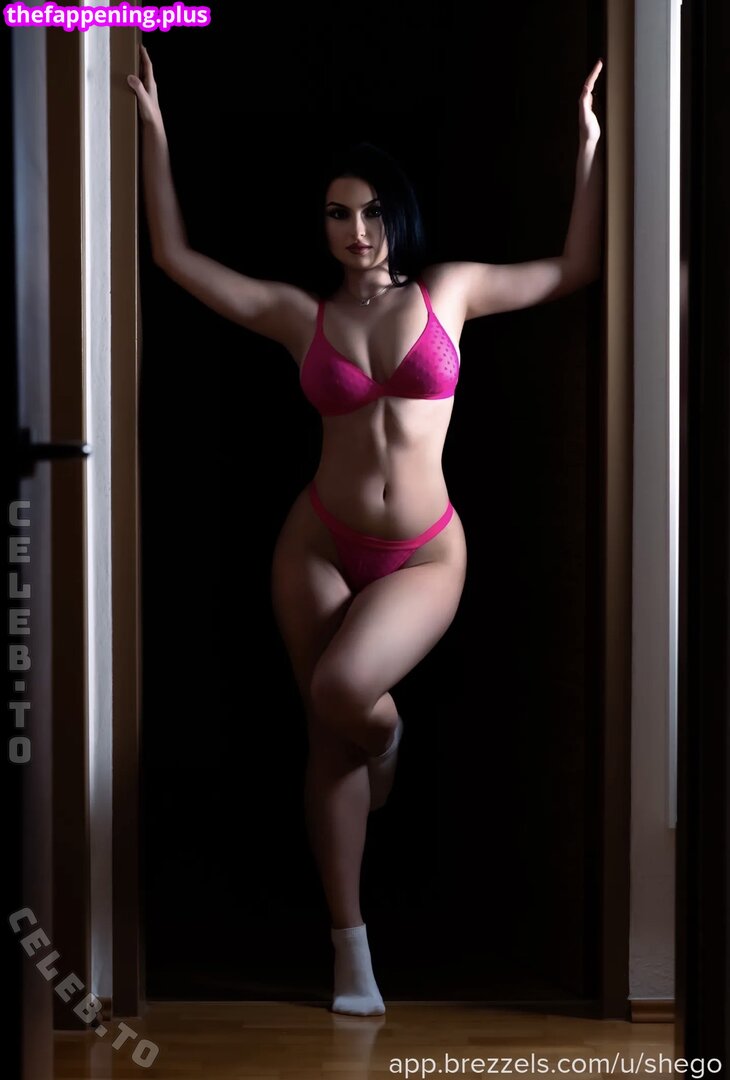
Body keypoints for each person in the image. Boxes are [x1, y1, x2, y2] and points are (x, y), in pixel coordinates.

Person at [128, 44, 604, 1017]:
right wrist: (154, 130)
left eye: (373, 211)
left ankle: (386, 739)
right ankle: (351, 950)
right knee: (326, 732)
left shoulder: (451, 293)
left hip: (424, 549)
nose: (357, 231)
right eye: (338, 214)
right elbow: (175, 260)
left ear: (399, 214)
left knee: (346, 693)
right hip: (317, 540)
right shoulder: (298, 317)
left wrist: (589, 147)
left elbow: (575, 269)